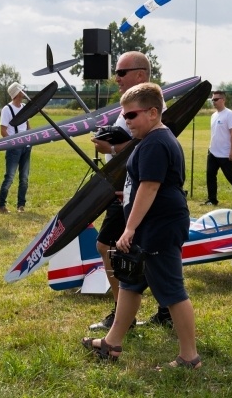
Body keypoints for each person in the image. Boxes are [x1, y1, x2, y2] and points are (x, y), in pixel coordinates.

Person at [82, 83, 201, 369]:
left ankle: (189, 357)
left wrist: (129, 228)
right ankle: (112, 344)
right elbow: (143, 186)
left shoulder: (156, 143)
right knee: (131, 283)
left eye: (131, 116)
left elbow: (149, 187)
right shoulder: (151, 140)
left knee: (172, 291)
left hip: (159, 226)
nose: (126, 122)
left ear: (152, 112)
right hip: (153, 222)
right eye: (124, 116)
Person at [89, 51, 171, 330]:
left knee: (111, 246)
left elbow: (147, 148)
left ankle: (125, 315)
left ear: (140, 74)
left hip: (134, 189)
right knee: (141, 252)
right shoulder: (131, 104)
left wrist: (111, 148)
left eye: (121, 73)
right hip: (123, 187)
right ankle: (159, 311)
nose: (116, 78)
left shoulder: (152, 107)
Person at [204, 90, 232, 206]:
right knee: (210, 175)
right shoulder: (213, 115)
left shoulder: (229, 114)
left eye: (216, 99)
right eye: (212, 99)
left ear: (223, 100)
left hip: (225, 152)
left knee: (230, 176)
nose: (213, 101)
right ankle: (212, 199)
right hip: (213, 151)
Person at [0, 82, 32, 214]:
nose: (24, 92)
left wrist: (30, 140)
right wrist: (13, 143)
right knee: (10, 176)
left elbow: (28, 126)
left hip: (26, 147)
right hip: (14, 148)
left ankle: (21, 205)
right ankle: (1, 205)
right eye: (22, 91)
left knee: (24, 177)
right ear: (17, 94)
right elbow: (3, 131)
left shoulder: (24, 107)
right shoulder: (7, 109)